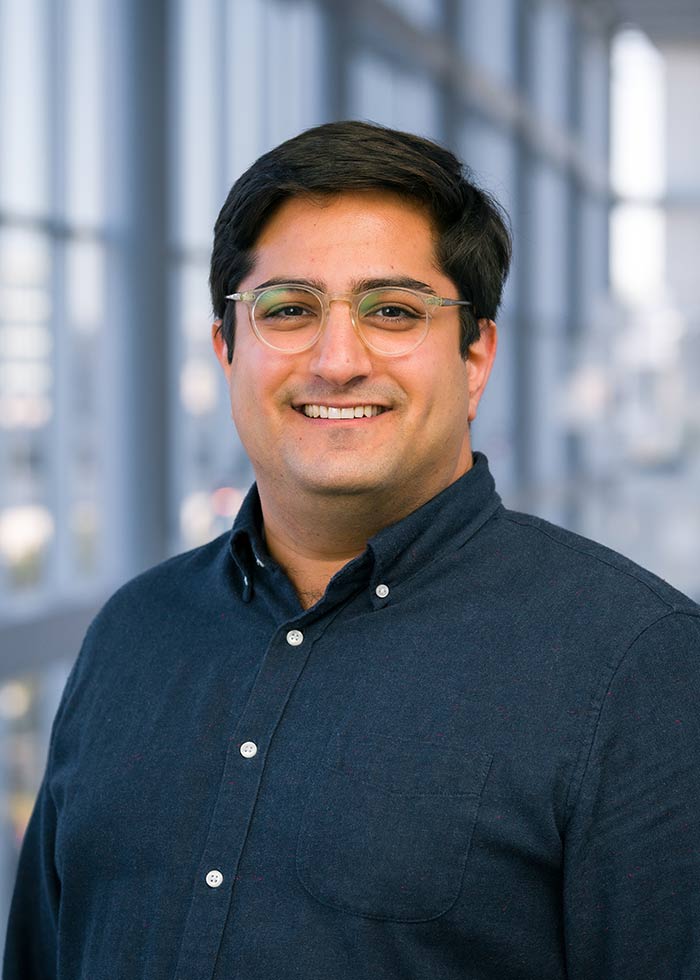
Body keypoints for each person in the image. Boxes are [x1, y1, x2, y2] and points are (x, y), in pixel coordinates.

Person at [4, 121, 700, 980]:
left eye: (394, 311)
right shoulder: (132, 634)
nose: (337, 360)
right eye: (289, 310)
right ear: (228, 350)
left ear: (475, 354)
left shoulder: (639, 666)